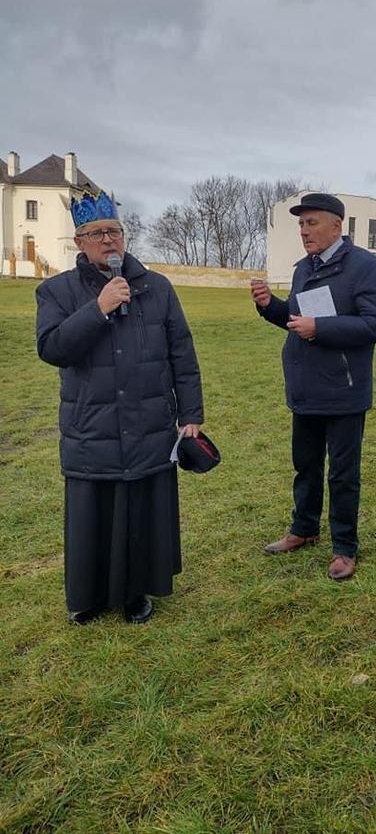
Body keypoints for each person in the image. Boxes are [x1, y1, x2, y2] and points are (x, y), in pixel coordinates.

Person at [36, 190, 204, 624]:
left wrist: (191, 415)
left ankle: (135, 594)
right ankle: (89, 597)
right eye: (97, 234)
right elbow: (53, 348)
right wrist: (98, 308)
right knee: (94, 514)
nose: (109, 240)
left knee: (140, 511)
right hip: (92, 427)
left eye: (115, 231)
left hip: (149, 424)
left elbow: (181, 353)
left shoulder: (157, 287)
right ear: (79, 242)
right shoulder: (55, 291)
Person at [250, 193, 376, 580]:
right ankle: (304, 529)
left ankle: (344, 547)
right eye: (300, 224)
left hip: (344, 390)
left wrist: (321, 328)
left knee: (343, 474)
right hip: (306, 387)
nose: (304, 231)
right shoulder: (303, 269)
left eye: (311, 223)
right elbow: (299, 319)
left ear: (336, 226)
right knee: (306, 466)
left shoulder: (364, 268)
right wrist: (270, 307)